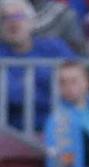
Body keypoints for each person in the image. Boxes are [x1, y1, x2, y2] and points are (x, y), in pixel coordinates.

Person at [0, 0, 75, 131]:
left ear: (32, 21)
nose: (13, 22)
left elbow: (76, 82)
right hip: (10, 132)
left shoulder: (54, 47)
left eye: (18, 16)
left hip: (59, 127)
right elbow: (10, 97)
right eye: (5, 18)